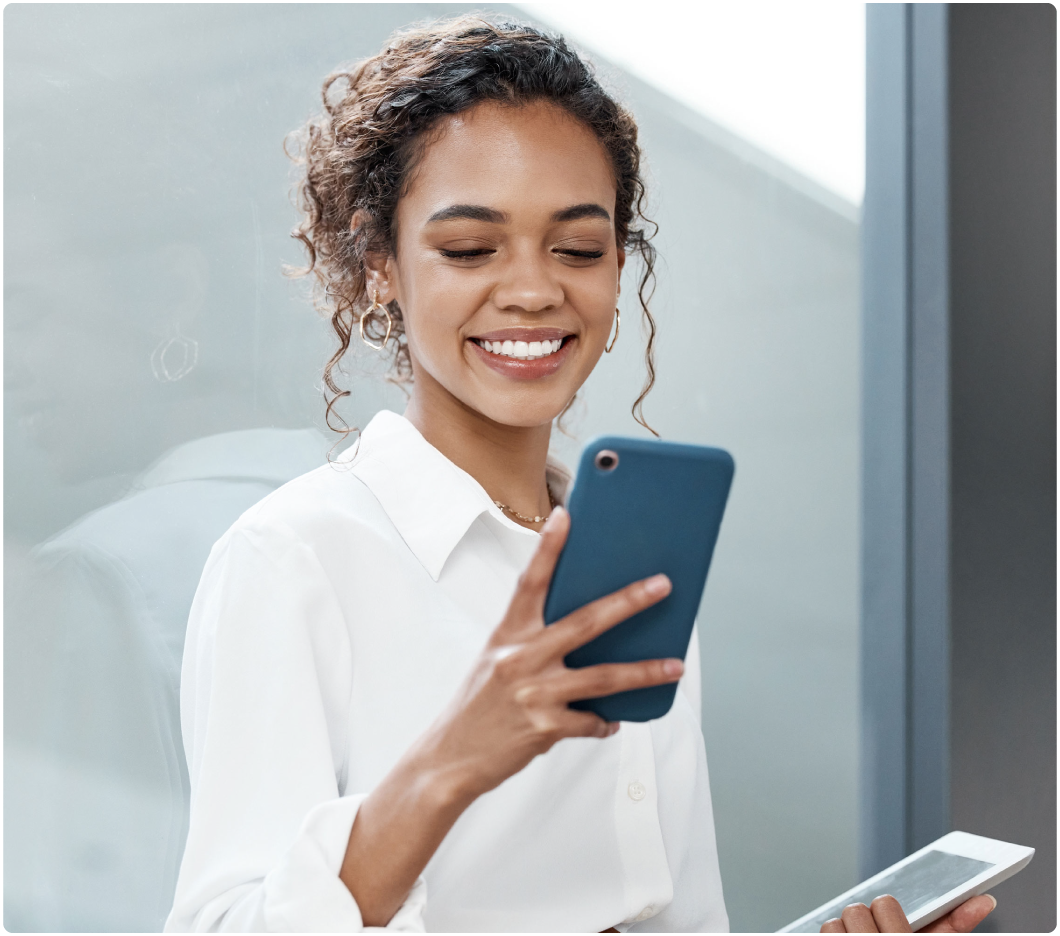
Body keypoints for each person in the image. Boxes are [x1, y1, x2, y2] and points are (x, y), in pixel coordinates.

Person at [165, 16, 996, 933]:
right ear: (378, 267)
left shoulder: (630, 567)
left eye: (577, 248)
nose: (532, 290)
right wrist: (460, 752)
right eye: (470, 248)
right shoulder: (294, 558)